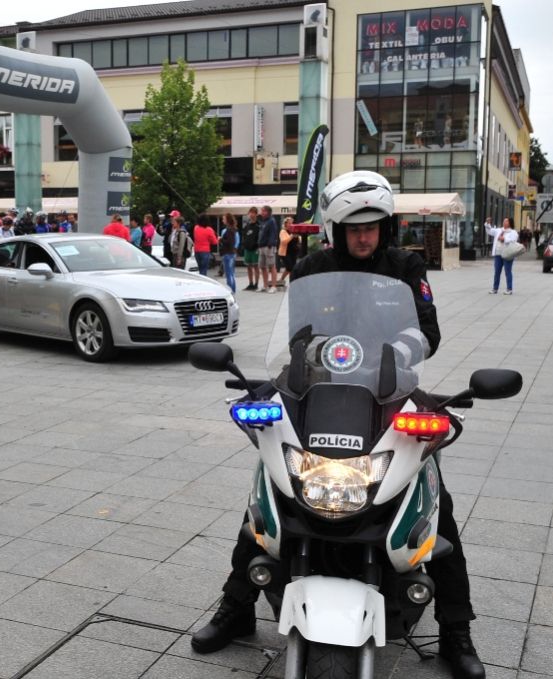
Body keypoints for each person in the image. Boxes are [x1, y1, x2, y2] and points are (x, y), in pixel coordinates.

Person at [191, 171, 485, 679]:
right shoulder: (311, 267)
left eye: (373, 226)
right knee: (270, 500)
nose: (365, 236)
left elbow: (428, 331)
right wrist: (292, 368)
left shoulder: (407, 265)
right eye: (354, 228)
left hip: (389, 393)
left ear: (386, 227)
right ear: (336, 228)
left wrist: (402, 350)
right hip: (321, 394)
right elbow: (295, 335)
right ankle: (236, 609)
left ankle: (456, 630)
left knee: (436, 509)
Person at [487, 217, 518, 294]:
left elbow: (513, 240)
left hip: (507, 254)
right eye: (504, 221)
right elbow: (489, 231)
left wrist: (504, 239)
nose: (504, 222)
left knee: (508, 272)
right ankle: (495, 288)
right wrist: (487, 224)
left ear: (510, 223)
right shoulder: (499, 230)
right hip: (498, 254)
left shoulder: (513, 232)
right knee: (497, 272)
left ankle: (509, 289)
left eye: (506, 221)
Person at [256, 205, 279, 293]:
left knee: (272, 266)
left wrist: (270, 243)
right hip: (261, 246)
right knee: (262, 266)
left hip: (269, 246)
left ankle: (273, 286)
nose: (261, 212)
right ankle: (265, 286)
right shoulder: (263, 221)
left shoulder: (271, 221)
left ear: (267, 212)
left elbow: (273, 233)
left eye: (263, 211)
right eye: (261, 211)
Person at [240, 207, 260, 290]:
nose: (251, 215)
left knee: (256, 266)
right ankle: (250, 283)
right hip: (247, 248)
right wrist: (243, 244)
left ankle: (256, 284)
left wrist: (258, 246)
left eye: (253, 213)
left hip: (255, 248)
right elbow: (244, 236)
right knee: (248, 266)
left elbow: (260, 237)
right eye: (250, 213)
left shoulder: (258, 225)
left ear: (256, 214)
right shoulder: (247, 225)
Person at [219, 214, 239, 293]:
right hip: (231, 253)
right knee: (231, 273)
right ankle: (232, 289)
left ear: (227, 220)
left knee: (229, 274)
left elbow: (228, 242)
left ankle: (230, 290)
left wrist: (221, 239)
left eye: (224, 218)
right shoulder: (233, 229)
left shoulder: (229, 230)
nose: (222, 220)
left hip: (228, 253)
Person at [276, 217, 297, 289]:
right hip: (285, 253)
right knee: (291, 268)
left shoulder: (293, 231)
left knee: (289, 268)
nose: (291, 224)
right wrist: (291, 236)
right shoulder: (283, 231)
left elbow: (298, 240)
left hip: (293, 252)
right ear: (285, 224)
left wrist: (299, 237)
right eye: (289, 223)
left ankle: (281, 280)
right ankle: (293, 283)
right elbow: (284, 241)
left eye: (292, 223)